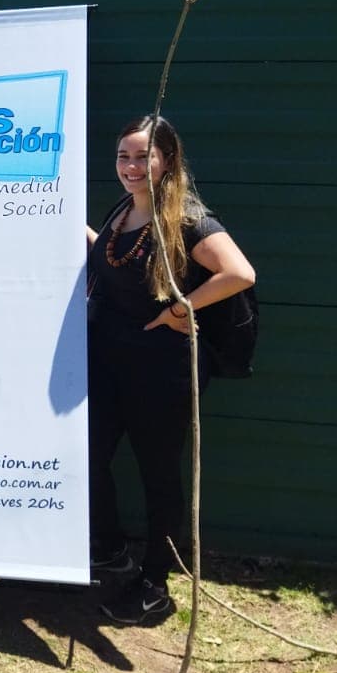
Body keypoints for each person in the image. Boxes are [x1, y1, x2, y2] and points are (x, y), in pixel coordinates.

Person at [87, 116, 255, 626]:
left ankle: (155, 584)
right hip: (110, 363)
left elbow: (239, 272)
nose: (131, 166)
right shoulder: (123, 215)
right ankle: (111, 548)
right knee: (90, 454)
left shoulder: (186, 219)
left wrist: (182, 309)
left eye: (143, 157)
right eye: (124, 156)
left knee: (158, 474)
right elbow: (110, 262)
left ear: (168, 161)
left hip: (161, 372)